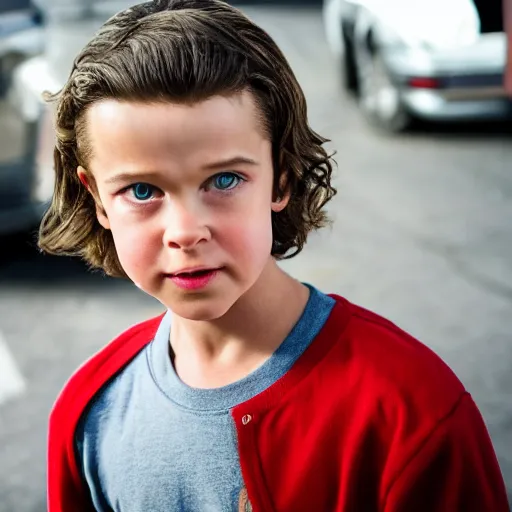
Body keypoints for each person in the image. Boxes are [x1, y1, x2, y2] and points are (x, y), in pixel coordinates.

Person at [40, 1, 509, 511]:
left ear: (281, 178)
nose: (186, 232)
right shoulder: (89, 412)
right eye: (141, 191)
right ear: (97, 199)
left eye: (224, 180)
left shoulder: (410, 410)